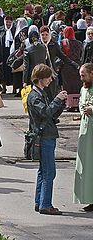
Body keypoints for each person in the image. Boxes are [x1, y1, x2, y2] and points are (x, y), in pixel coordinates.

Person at [27, 64, 67, 215]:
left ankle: (40, 202)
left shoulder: (40, 93)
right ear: (41, 78)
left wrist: (61, 104)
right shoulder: (34, 96)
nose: (50, 80)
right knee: (49, 172)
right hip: (44, 137)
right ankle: (45, 204)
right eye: (48, 77)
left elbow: (51, 115)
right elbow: (45, 112)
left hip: (47, 134)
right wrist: (57, 100)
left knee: (43, 171)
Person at [73, 63, 93, 212]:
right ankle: (89, 198)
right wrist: (83, 109)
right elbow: (81, 104)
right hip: (85, 130)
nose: (81, 78)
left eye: (83, 75)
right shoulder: (83, 88)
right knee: (86, 165)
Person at [60, 26, 82, 94]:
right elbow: (81, 55)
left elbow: (60, 55)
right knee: (77, 86)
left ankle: (68, 102)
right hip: (77, 66)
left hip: (66, 67)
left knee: (67, 87)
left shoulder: (63, 43)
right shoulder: (79, 43)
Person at [0, 16, 15, 93]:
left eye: (10, 22)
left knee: (12, 69)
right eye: (7, 22)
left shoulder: (14, 29)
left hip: (12, 53)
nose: (8, 24)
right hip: (3, 52)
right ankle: (4, 87)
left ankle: (14, 88)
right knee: (3, 70)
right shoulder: (0, 30)